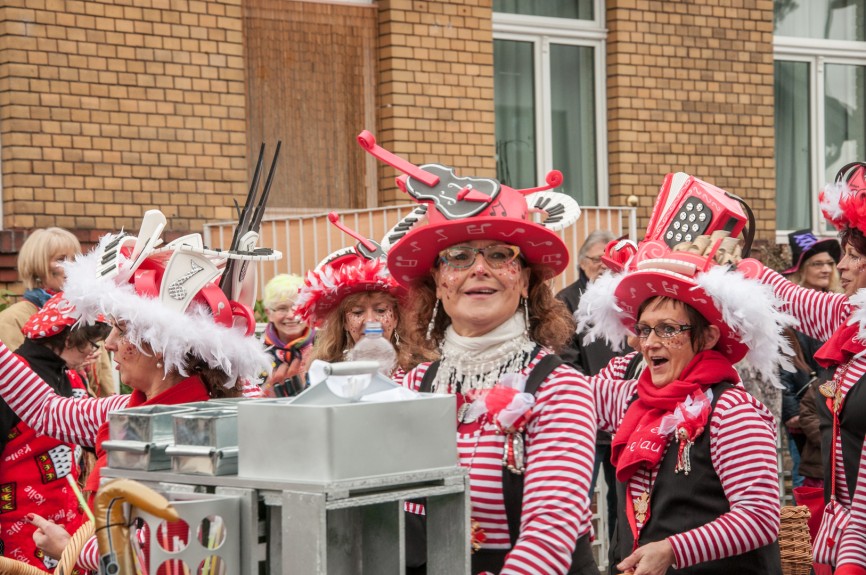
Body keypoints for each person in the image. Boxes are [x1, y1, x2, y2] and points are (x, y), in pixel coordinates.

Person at [362, 131, 597, 575]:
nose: (480, 269)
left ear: (526, 281)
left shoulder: (562, 389)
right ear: (436, 282)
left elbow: (550, 531)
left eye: (498, 254)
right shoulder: (410, 386)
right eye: (459, 257)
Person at [0, 210, 278, 570]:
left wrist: (71, 547)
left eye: (122, 330)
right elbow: (46, 411)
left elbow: (157, 548)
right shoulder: (128, 409)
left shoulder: (204, 431)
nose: (110, 343)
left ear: (161, 345)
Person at [579, 231, 791, 573]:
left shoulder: (732, 412)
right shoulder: (631, 397)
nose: (648, 343)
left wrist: (673, 550)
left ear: (707, 337)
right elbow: (560, 395)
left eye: (667, 329)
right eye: (645, 329)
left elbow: (759, 517)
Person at [754, 162, 866, 573]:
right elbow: (796, 302)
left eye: (853, 255)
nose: (840, 266)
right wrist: (742, 273)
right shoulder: (855, 318)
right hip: (851, 528)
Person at [0, 292, 110, 572]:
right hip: (19, 531)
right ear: (69, 339)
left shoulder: (71, 376)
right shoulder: (12, 379)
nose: (93, 353)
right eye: (90, 344)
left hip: (68, 526)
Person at [293, 212, 428, 381]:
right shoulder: (327, 373)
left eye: (380, 310)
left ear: (396, 318)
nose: (370, 320)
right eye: (357, 312)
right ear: (344, 323)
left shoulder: (418, 372)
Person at [556, 228, 621, 543]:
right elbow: (565, 359)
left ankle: (618, 564)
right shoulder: (566, 301)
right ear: (583, 263)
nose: (604, 268)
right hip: (585, 418)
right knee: (577, 498)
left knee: (623, 504)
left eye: (611, 261)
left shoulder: (624, 298)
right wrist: (597, 394)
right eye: (598, 261)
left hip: (624, 421)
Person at [0, 227, 115, 398]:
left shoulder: (84, 314)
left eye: (75, 259)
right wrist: (67, 366)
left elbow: (103, 379)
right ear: (38, 266)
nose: (71, 267)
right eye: (61, 260)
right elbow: (15, 381)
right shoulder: (11, 319)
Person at [779, 230, 842, 487]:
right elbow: (780, 365)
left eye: (829, 263)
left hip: (835, 406)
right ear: (802, 269)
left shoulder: (838, 305)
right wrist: (792, 411)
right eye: (818, 263)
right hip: (806, 412)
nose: (826, 269)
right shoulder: (788, 312)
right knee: (807, 479)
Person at [260, 273, 315, 396]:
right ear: (269, 313)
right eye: (282, 308)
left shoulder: (325, 345)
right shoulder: (256, 351)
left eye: (297, 307)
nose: (291, 315)